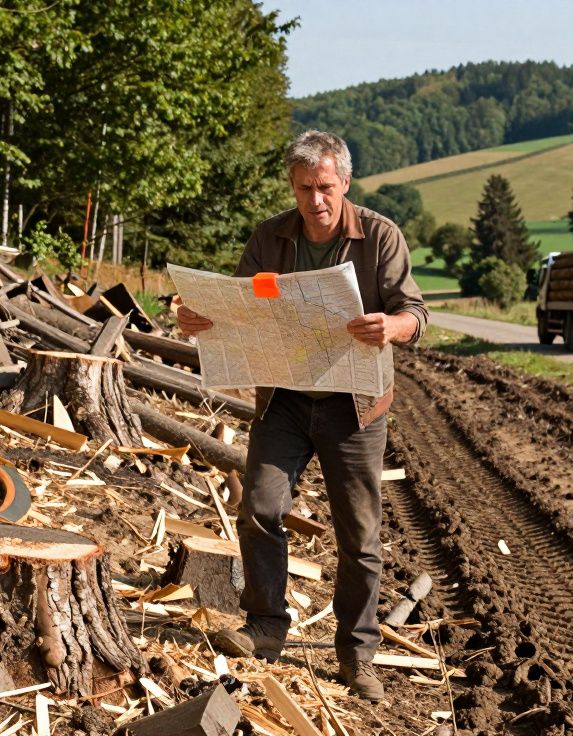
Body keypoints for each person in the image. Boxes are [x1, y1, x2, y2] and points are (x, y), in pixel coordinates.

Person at [176, 129, 428, 702]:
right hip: (285, 400)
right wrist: (203, 319)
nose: (314, 201)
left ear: (344, 183)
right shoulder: (271, 237)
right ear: (291, 185)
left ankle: (357, 655)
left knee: (359, 536)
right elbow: (241, 303)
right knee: (261, 508)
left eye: (325, 188)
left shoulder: (381, 236)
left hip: (355, 407)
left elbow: (415, 311)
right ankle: (266, 628)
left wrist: (392, 326)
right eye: (303, 188)